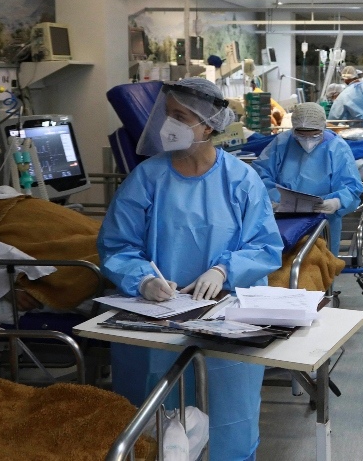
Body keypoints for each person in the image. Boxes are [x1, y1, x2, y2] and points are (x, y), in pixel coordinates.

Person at [98, 77, 283, 461]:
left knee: (227, 421)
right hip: (159, 319)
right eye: (168, 115)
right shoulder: (147, 178)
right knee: (156, 426)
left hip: (226, 319)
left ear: (209, 125)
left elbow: (265, 246)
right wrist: (142, 279)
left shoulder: (241, 180)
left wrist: (224, 271)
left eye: (181, 117)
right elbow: (117, 244)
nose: (170, 126)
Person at [253, 102, 363, 254]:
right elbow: (260, 175)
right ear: (293, 128)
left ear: (323, 127)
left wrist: (337, 201)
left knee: (321, 266)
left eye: (314, 133)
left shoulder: (337, 147)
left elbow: (352, 187)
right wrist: (273, 198)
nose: (307, 139)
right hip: (283, 217)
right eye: (301, 133)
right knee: (284, 265)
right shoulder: (282, 143)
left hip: (323, 219)